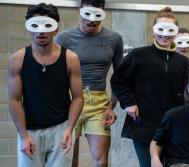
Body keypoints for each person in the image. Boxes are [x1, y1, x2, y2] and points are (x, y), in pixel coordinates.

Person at [110, 6, 189, 167]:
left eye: (170, 30)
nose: (165, 34)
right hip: (144, 127)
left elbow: (187, 93)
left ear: (175, 32)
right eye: (160, 29)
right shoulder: (138, 56)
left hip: (173, 129)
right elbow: (118, 81)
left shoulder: (182, 62)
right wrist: (129, 102)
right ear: (153, 30)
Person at [8, 3, 84, 167]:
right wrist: (23, 135)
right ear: (29, 27)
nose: (41, 31)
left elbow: (78, 97)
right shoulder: (18, 59)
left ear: (56, 28)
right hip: (30, 131)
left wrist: (70, 129)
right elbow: (14, 99)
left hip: (61, 129)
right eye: (35, 25)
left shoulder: (70, 58)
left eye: (47, 25)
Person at [56, 0, 123, 166]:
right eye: (87, 14)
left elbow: (119, 76)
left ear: (103, 13)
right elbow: (54, 75)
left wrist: (110, 107)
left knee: (101, 162)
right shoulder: (64, 38)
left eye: (97, 15)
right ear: (80, 11)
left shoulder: (114, 39)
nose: (92, 20)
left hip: (98, 102)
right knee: (70, 159)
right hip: (70, 101)